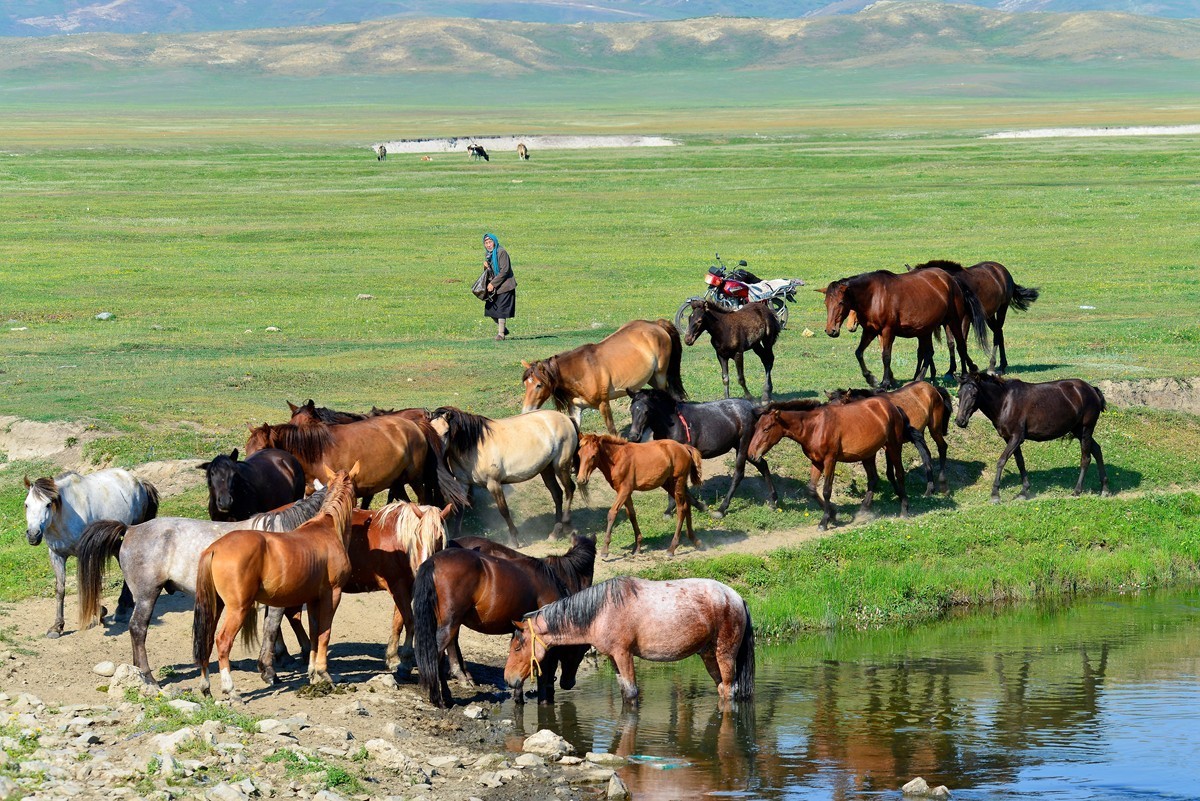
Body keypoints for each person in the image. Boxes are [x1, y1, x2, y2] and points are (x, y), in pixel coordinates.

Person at [482, 233, 516, 340]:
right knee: (490, 309)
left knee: (501, 310)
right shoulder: (489, 255)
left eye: (490, 242)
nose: (488, 245)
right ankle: (503, 329)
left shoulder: (501, 252)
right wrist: (486, 267)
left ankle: (501, 334)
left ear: (495, 242)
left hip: (505, 286)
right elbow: (490, 273)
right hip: (496, 287)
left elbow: (504, 271)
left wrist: (493, 283)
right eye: (486, 243)